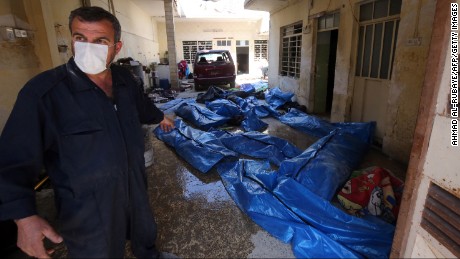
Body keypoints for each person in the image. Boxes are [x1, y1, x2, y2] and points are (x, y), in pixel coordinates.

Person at [0, 6, 175, 258]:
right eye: (80, 38)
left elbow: (142, 106)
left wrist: (160, 118)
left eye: (100, 41)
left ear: (117, 47)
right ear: (71, 39)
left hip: (134, 182)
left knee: (144, 230)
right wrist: (24, 217)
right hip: (87, 204)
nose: (87, 47)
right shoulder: (44, 93)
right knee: (98, 250)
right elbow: (13, 160)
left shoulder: (125, 81)